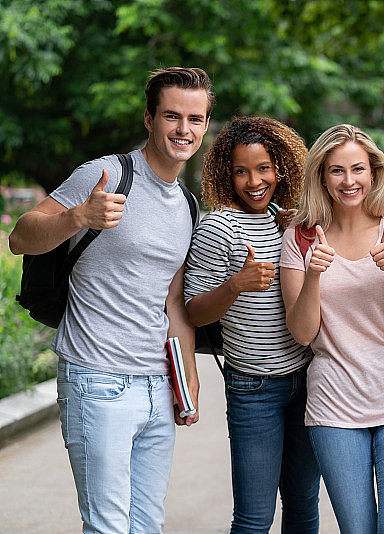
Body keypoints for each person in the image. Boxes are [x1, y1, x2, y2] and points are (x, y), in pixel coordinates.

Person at [8, 67, 213, 533]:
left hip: (157, 386)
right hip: (97, 378)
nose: (184, 129)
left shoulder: (186, 204)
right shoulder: (106, 174)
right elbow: (20, 237)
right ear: (149, 119)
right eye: (172, 116)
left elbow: (173, 301)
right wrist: (78, 216)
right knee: (108, 526)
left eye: (195, 119)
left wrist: (188, 378)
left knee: (148, 525)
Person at [280, 124, 384, 533]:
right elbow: (303, 334)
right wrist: (313, 275)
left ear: (373, 172)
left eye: (358, 169)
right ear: (322, 176)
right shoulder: (301, 238)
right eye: (337, 170)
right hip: (334, 405)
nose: (349, 181)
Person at [183, 116, 321, 533]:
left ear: (281, 167)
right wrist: (236, 285)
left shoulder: (286, 220)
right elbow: (193, 312)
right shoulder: (217, 227)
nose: (254, 181)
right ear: (227, 175)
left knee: (303, 506)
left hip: (307, 380)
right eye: (241, 171)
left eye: (263, 168)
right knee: (254, 517)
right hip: (254, 387)